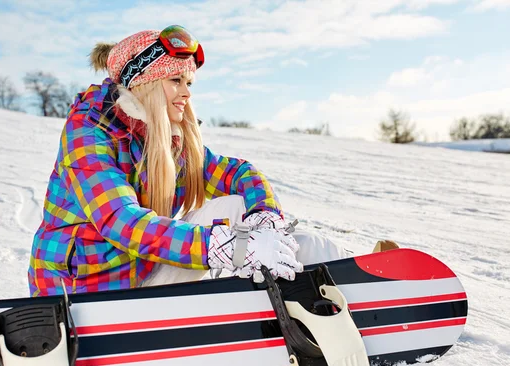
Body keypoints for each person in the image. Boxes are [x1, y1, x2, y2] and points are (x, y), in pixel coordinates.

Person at [28, 26, 348, 297]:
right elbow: (121, 221)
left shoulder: (169, 138)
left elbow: (239, 173)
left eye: (189, 83)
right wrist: (227, 246)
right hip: (88, 296)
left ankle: (345, 271)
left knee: (241, 208)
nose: (187, 93)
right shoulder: (89, 134)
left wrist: (264, 217)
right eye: (175, 81)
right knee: (238, 237)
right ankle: (335, 282)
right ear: (146, 84)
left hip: (144, 271)